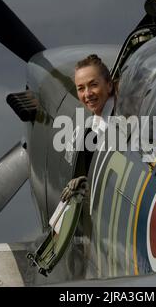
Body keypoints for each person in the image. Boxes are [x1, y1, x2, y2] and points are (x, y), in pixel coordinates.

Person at [60, 54, 114, 202]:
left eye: (93, 85)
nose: (87, 94)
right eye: (81, 88)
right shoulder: (94, 126)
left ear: (109, 85)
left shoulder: (126, 117)